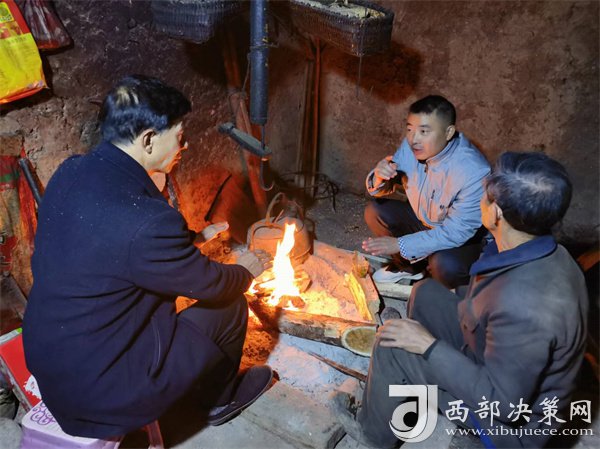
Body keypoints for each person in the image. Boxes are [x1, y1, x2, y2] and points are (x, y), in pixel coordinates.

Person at [22, 75, 273, 439]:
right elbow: (212, 284)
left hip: (56, 370)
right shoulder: (149, 223)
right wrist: (246, 270)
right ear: (149, 139)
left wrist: (194, 239)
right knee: (230, 305)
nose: (185, 145)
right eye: (179, 136)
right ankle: (220, 401)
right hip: (101, 398)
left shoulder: (70, 172)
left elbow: (111, 241)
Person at [332, 152, 588, 448]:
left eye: (484, 195)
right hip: (494, 360)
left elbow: (503, 405)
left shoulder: (524, 308)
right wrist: (466, 302)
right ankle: (412, 393)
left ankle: (372, 435)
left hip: (510, 427)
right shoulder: (548, 252)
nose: (479, 198)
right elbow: (493, 300)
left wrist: (428, 347)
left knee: (392, 346)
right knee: (425, 293)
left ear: (496, 213)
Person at [363, 95, 490, 288]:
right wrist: (380, 177)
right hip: (426, 221)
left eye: (424, 131)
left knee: (446, 264)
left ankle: (452, 292)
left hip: (466, 239)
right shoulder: (412, 147)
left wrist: (400, 244)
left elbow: (456, 233)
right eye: (409, 129)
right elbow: (385, 186)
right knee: (376, 212)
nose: (414, 139)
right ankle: (410, 268)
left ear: (448, 132)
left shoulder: (474, 171)